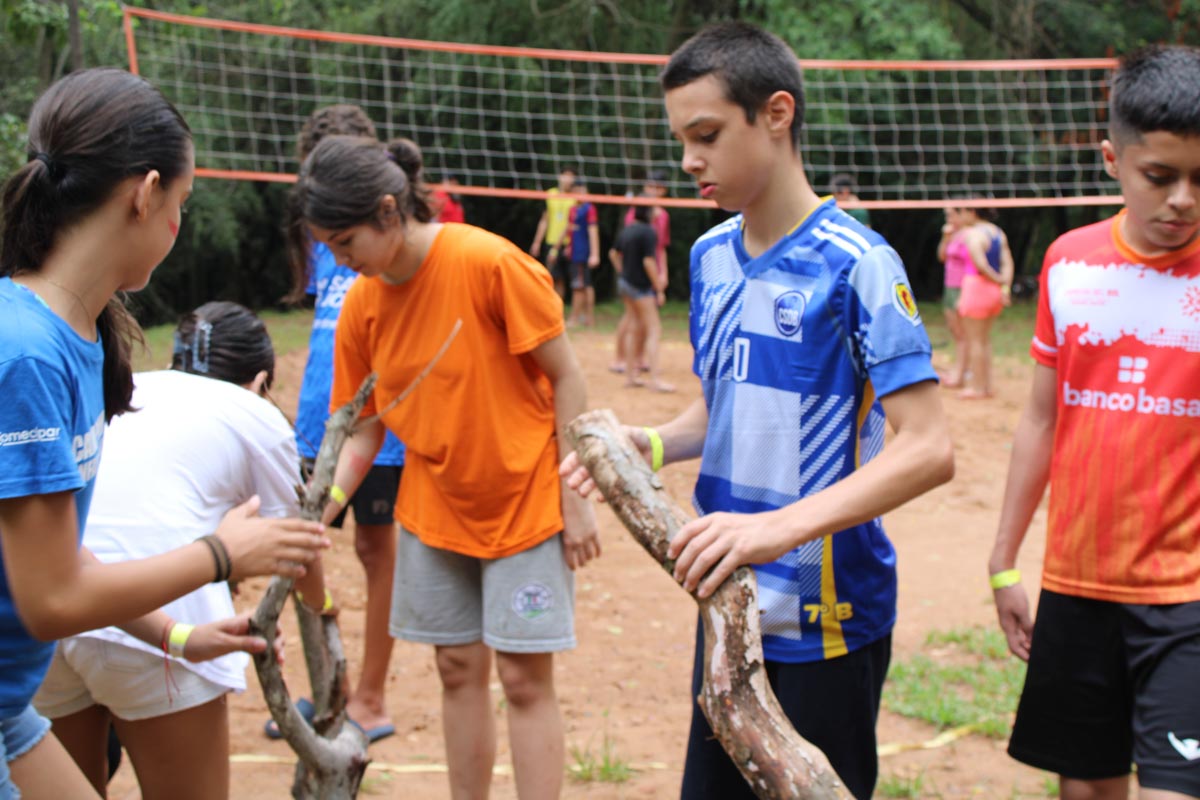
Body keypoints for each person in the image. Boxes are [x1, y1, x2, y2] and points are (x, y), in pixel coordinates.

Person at [561, 22, 953, 800]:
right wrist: (650, 442)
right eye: (681, 138)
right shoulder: (708, 260)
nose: (688, 160)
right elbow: (721, 413)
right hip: (724, 601)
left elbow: (928, 448)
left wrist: (774, 530)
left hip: (826, 622)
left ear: (776, 114)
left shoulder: (859, 265)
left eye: (705, 134)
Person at [0, 67, 327, 799]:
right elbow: (49, 600)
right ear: (145, 195)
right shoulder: (23, 351)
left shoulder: (74, 337)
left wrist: (178, 636)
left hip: (10, 706)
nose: (178, 223)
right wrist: (219, 554)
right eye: (180, 203)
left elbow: (57, 551)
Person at [290, 133, 600, 799]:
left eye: (345, 244)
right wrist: (322, 509)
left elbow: (568, 380)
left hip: (524, 501)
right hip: (434, 509)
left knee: (522, 679)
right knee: (457, 668)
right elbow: (363, 430)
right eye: (330, 249)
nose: (340, 262)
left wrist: (575, 496)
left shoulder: (490, 264)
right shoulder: (362, 305)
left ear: (388, 211)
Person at [988, 45, 1200, 800]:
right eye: (1160, 176)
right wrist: (1006, 559)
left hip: (1188, 595)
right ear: (1112, 159)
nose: (1183, 199)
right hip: (1078, 584)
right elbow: (1041, 421)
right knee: (1084, 790)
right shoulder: (1069, 265)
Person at [33, 302, 331, 799]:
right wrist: (322, 608)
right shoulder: (253, 411)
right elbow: (301, 557)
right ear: (259, 380)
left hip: (54, 613)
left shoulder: (128, 388)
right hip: (160, 624)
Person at [285, 103, 404, 743]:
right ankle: (325, 686)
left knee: (374, 550)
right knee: (308, 550)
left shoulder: (383, 235)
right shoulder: (322, 238)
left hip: (380, 430)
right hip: (318, 420)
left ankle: (372, 696)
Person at [612, 171, 672, 376]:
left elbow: (660, 248)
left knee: (641, 322)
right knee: (634, 320)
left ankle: (637, 360)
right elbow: (630, 248)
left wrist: (663, 274)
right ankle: (621, 359)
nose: (651, 190)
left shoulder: (662, 216)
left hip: (648, 275)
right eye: (649, 186)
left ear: (663, 190)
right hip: (637, 275)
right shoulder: (637, 214)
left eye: (656, 187)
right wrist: (626, 271)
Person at [954, 205, 1014, 399]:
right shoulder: (998, 232)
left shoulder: (973, 234)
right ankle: (986, 386)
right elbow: (1008, 262)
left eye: (962, 212)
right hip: (994, 292)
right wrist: (1004, 286)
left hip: (977, 288)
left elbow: (980, 265)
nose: (960, 216)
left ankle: (978, 388)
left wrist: (996, 280)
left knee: (975, 341)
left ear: (972, 212)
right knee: (984, 340)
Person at [528, 166, 577, 300]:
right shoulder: (550, 194)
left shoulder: (576, 196)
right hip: (551, 241)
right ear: (559, 177)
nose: (568, 179)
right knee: (551, 277)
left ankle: (559, 311)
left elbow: (571, 223)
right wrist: (537, 242)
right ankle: (549, 308)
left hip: (569, 243)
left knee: (566, 280)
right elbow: (545, 220)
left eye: (571, 176)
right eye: (565, 175)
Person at [937, 206, 970, 387]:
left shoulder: (969, 235)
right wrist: (945, 237)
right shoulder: (952, 234)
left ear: (961, 214)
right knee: (956, 331)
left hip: (963, 287)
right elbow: (942, 256)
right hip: (950, 286)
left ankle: (961, 374)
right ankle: (960, 369)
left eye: (950, 214)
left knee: (963, 333)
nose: (948, 218)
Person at [565, 181, 600, 327]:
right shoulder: (573, 209)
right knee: (582, 285)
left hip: (582, 253)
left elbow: (593, 232)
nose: (580, 193)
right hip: (575, 252)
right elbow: (570, 230)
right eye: (576, 190)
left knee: (581, 286)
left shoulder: (589, 208)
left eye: (582, 190)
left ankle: (577, 318)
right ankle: (584, 318)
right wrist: (568, 246)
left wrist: (595, 253)